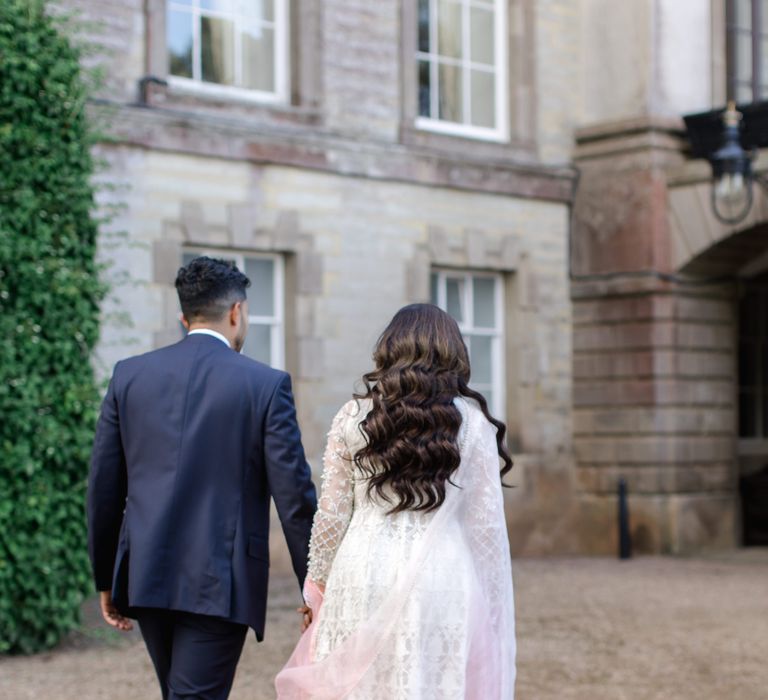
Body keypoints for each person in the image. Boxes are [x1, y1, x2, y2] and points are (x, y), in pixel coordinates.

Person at [87, 256, 317, 700]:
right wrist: (315, 585)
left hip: (145, 572)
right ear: (236, 312)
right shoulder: (266, 385)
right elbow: (294, 500)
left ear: (183, 316)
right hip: (220, 580)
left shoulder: (129, 376)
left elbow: (103, 488)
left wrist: (106, 577)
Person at [276, 303, 517, 699]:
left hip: (362, 571)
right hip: (444, 577)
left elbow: (332, 516)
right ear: (452, 354)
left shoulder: (353, 417)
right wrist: (491, 612)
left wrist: (315, 590)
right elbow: (486, 530)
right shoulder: (473, 425)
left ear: (388, 351)